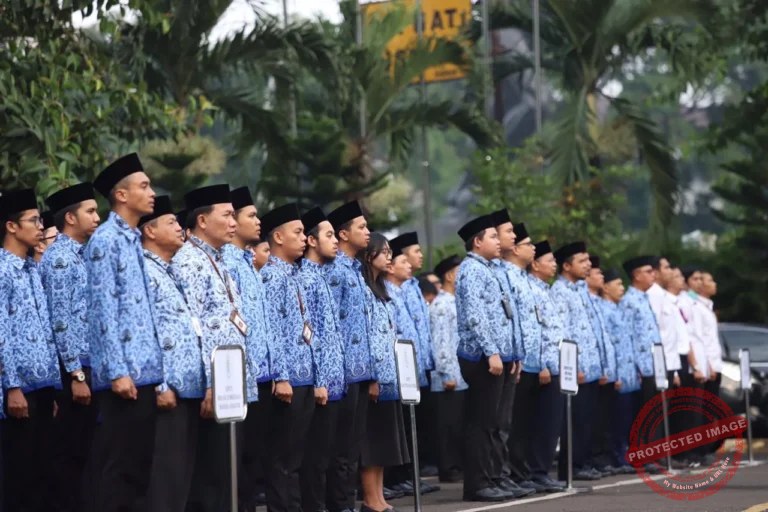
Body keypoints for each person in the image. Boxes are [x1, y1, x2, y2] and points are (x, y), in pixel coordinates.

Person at [85, 153, 163, 512]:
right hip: (124, 376)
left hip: (146, 373)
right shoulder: (105, 240)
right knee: (116, 469)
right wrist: (116, 371)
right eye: (143, 186)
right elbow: (102, 311)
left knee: (137, 470)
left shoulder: (132, 240)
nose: (151, 193)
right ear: (121, 195)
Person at [172, 184, 247, 512]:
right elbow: (193, 327)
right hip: (210, 386)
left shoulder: (218, 260)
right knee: (208, 478)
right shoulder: (189, 261)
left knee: (225, 472)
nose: (234, 222)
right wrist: (209, 384)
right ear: (202, 220)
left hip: (228, 382)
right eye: (227, 215)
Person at [139, 196, 205, 512]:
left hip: (187, 390)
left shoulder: (167, 271)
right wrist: (160, 384)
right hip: (167, 393)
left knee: (181, 476)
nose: (180, 228)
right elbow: (144, 333)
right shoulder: (144, 271)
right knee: (163, 479)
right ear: (149, 231)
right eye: (171, 223)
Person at [40, 182, 101, 512]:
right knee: (68, 455)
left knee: (86, 454)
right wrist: (76, 374)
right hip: (72, 370)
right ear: (70, 217)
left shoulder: (82, 255)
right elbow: (60, 319)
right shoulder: (61, 258)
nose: (97, 216)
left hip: (89, 365)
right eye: (89, 211)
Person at [0, 188, 61, 511]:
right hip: (19, 389)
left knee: (43, 473)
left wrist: (53, 386)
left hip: (42, 387)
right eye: (34, 220)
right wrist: (12, 387)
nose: (41, 226)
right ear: (11, 226)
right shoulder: (2, 270)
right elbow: (2, 335)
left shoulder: (32, 270)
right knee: (18, 477)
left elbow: (47, 331)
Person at [454, 215, 515, 502]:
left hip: (496, 355)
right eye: (492, 236)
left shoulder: (488, 269)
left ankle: (491, 478)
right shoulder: (471, 270)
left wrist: (508, 352)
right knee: (481, 423)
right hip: (480, 356)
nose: (497, 240)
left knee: (492, 423)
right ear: (477, 242)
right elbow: (476, 316)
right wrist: (492, 352)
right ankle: (477, 484)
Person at [260, 203, 315, 512]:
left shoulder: (294, 275)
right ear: (278, 238)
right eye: (298, 233)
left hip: (304, 374)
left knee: (297, 455)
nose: (305, 238)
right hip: (288, 379)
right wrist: (281, 376)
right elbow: (272, 332)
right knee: (282, 457)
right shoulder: (270, 277)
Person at [222, 186, 274, 509]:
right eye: (250, 216)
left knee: (253, 458)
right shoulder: (226, 261)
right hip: (237, 376)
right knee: (236, 462)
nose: (258, 222)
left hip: (258, 374)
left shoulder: (247, 261)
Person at [324, 201, 372, 512]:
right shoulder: (335, 270)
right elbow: (330, 323)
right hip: (342, 371)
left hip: (360, 369)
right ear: (343, 234)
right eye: (362, 227)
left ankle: (347, 501)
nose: (368, 233)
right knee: (340, 445)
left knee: (354, 443)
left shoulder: (355, 269)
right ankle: (339, 503)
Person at [297, 207, 345, 512]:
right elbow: (308, 334)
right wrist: (320, 380)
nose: (335, 241)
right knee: (313, 455)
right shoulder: (304, 277)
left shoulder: (324, 276)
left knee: (329, 452)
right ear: (312, 241)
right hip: (319, 381)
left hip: (335, 378)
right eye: (329, 235)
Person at [358, 234, 410, 512]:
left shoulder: (380, 289)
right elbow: (365, 336)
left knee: (383, 441)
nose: (389, 257)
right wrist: (374, 376)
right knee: (372, 440)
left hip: (390, 374)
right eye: (384, 252)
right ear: (368, 256)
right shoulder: (363, 290)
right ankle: (369, 499)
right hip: (374, 375)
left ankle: (379, 497)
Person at [502, 223, 551, 492]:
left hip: (532, 359)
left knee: (526, 424)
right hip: (518, 359)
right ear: (516, 249)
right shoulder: (508, 275)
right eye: (529, 244)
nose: (533, 248)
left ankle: (524, 472)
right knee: (514, 423)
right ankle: (515, 474)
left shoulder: (523, 277)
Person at [550, 241, 602, 482]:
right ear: (567, 266)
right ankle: (570, 466)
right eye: (582, 261)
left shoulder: (580, 289)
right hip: (576, 367)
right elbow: (563, 332)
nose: (588, 265)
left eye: (588, 260)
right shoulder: (559, 291)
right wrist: (574, 366)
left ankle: (583, 461)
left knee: (588, 419)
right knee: (574, 419)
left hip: (591, 365)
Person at [388, 232, 438, 482]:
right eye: (413, 253)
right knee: (403, 425)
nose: (417, 257)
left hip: (417, 363)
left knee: (416, 422)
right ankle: (401, 475)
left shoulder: (412, 285)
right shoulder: (391, 288)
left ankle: (410, 474)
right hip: (401, 366)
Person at [487, 210, 529, 497]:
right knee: (492, 424)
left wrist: (518, 353)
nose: (513, 237)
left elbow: (516, 318)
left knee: (505, 423)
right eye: (507, 232)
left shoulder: (504, 271)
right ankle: (494, 477)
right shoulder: (484, 270)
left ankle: (503, 475)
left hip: (511, 354)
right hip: (494, 356)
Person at [526, 241, 567, 490]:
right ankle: (536, 471)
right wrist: (542, 364)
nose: (554, 265)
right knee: (541, 423)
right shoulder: (530, 289)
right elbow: (535, 330)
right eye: (549, 260)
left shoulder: (545, 289)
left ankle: (540, 470)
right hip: (543, 366)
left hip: (555, 363)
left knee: (551, 422)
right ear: (535, 264)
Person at [429, 255, 468, 484]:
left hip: (460, 374)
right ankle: (448, 467)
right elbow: (440, 341)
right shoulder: (442, 304)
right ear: (450, 276)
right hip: (448, 375)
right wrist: (446, 372)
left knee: (458, 423)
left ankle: (457, 465)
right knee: (448, 425)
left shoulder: (455, 301)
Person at [598, 268, 638, 473]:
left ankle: (622, 454)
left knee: (625, 418)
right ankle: (615, 456)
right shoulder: (604, 310)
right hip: (617, 373)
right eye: (618, 284)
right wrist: (616, 373)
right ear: (606, 287)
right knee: (614, 419)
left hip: (628, 373)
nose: (622, 288)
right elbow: (610, 346)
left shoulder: (618, 308)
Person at [582, 256, 619, 476]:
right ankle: (590, 460)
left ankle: (599, 459)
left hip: (602, 368)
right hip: (586, 369)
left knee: (603, 420)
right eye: (597, 273)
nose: (601, 277)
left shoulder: (597, 302)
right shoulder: (584, 297)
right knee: (590, 420)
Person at [620, 256, 662, 417]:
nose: (654, 275)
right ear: (637, 276)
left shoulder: (644, 299)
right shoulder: (629, 301)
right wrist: (634, 367)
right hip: (641, 369)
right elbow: (626, 336)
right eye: (649, 271)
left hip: (653, 366)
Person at [646, 257, 683, 389]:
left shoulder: (663, 295)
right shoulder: (653, 295)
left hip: (670, 362)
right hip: (660, 365)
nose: (671, 272)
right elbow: (652, 333)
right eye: (666, 268)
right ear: (655, 272)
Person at [698, 271, 723, 456]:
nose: (713, 283)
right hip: (707, 366)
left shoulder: (708, 306)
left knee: (710, 409)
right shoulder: (696, 307)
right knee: (704, 411)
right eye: (709, 280)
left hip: (715, 364)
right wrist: (707, 365)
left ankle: (707, 448)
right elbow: (699, 340)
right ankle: (703, 449)